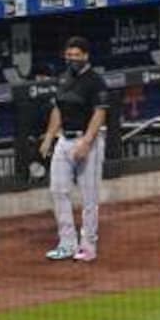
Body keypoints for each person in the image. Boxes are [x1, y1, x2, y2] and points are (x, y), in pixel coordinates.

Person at [39, 36, 108, 262]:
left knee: (89, 198)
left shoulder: (95, 81)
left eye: (76, 55)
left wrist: (87, 142)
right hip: (64, 140)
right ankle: (67, 243)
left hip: (87, 140)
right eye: (69, 55)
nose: (72, 59)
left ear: (86, 55)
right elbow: (58, 110)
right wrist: (49, 136)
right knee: (58, 191)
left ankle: (88, 246)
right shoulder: (64, 79)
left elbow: (100, 112)